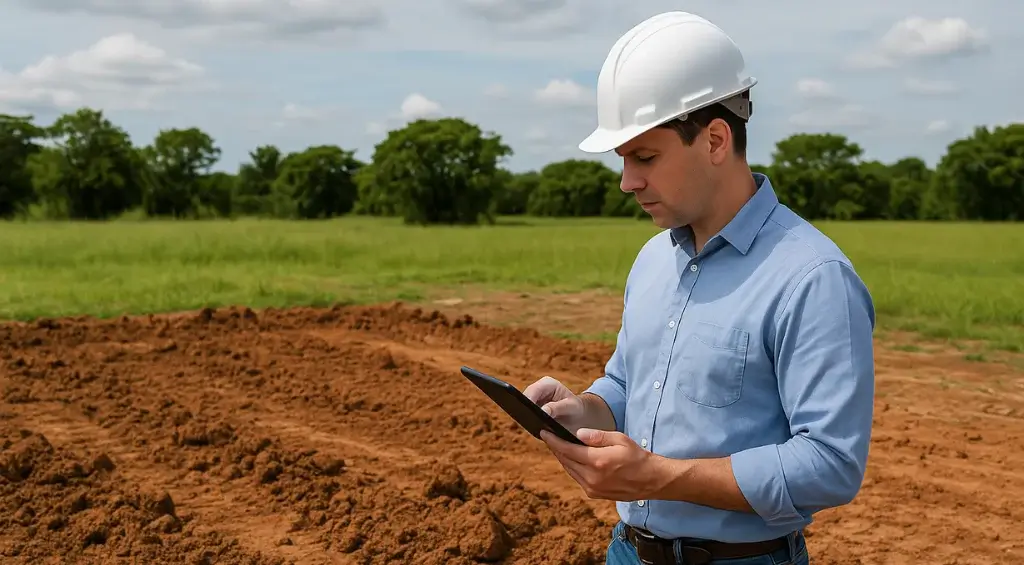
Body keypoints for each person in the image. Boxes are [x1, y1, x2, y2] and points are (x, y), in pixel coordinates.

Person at [523, 11, 876, 565]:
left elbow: (831, 464)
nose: (627, 181)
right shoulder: (652, 259)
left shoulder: (812, 277)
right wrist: (582, 411)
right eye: (623, 160)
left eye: (645, 157)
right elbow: (626, 382)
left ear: (715, 139)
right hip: (627, 552)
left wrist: (659, 477)